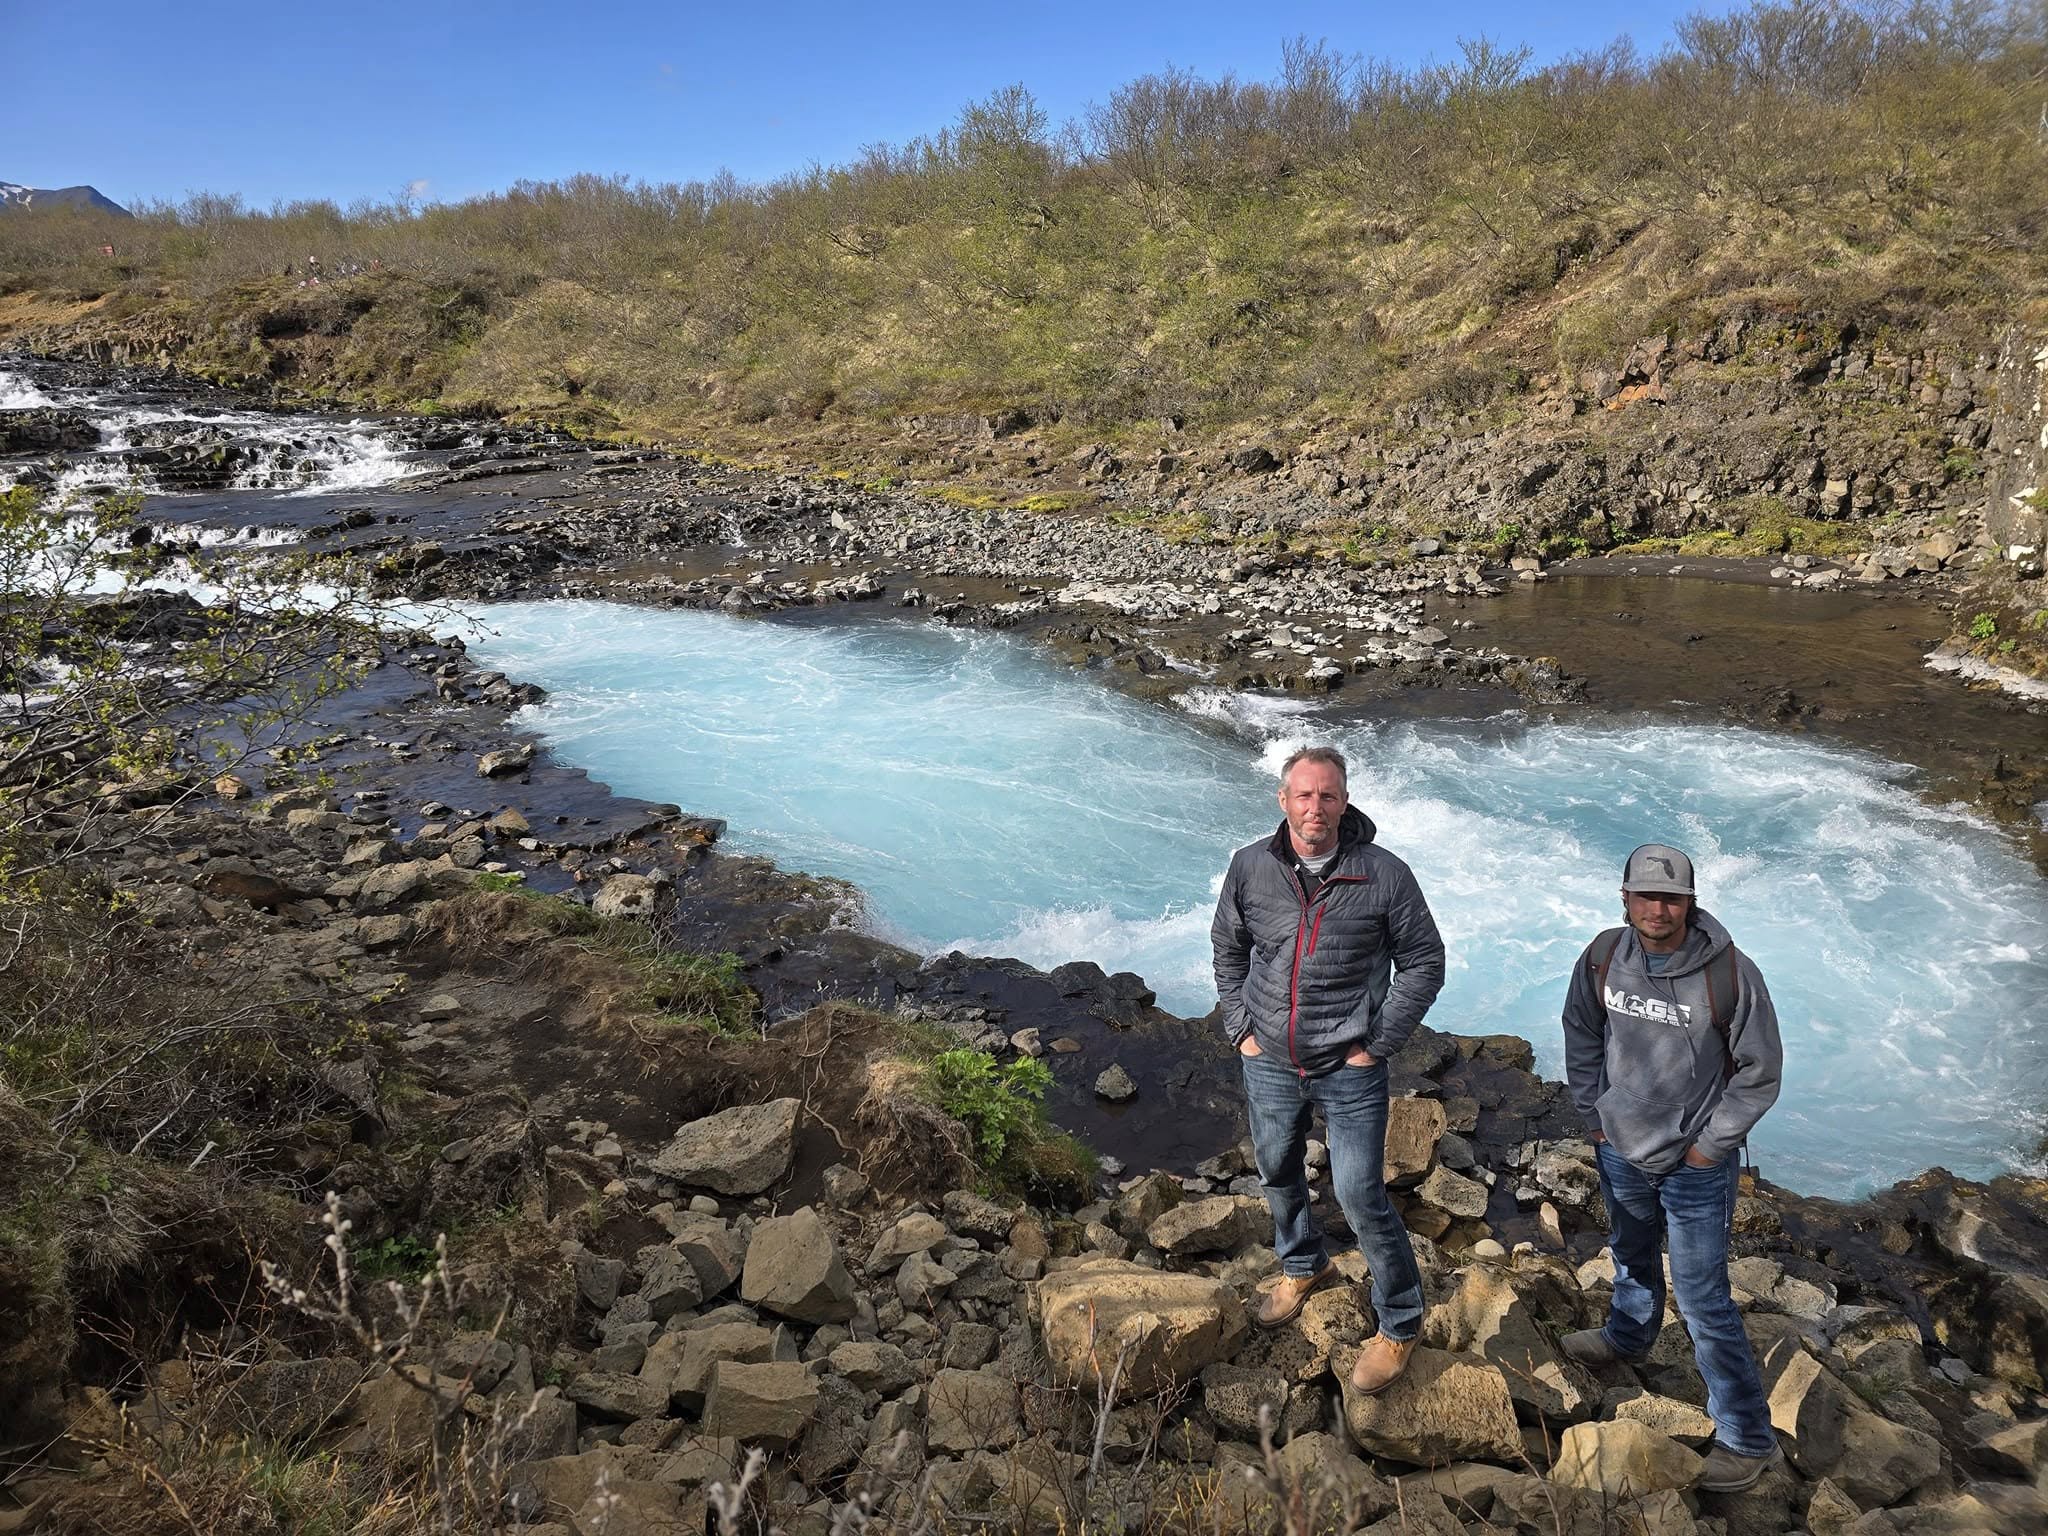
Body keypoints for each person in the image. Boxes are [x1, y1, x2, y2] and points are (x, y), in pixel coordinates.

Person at [1211, 745, 1446, 1394]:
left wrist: (1380, 1041)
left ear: (1346, 803)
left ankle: (1399, 1323)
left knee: (1359, 1193)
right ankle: (1301, 1263)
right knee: (1277, 1169)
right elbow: (1228, 948)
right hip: (1271, 1060)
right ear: (1283, 800)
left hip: (1350, 1067)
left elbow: (1423, 961)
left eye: (1329, 796)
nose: (1317, 807)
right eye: (1305, 795)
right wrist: (1242, 1029)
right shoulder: (1250, 867)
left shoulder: (1384, 874)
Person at [1561, 842, 1786, 1492]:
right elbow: (1580, 1027)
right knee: (1629, 1256)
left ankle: (1747, 1437)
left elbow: (1760, 1073)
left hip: (1694, 1164)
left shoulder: (1729, 974)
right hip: (1621, 1146)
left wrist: (1710, 1144)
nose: (1657, 909)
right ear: (1625, 897)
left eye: (1671, 898)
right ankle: (1628, 1337)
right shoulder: (1604, 956)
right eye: (1645, 895)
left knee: (1703, 1300)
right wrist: (1592, 1108)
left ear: (1689, 902)